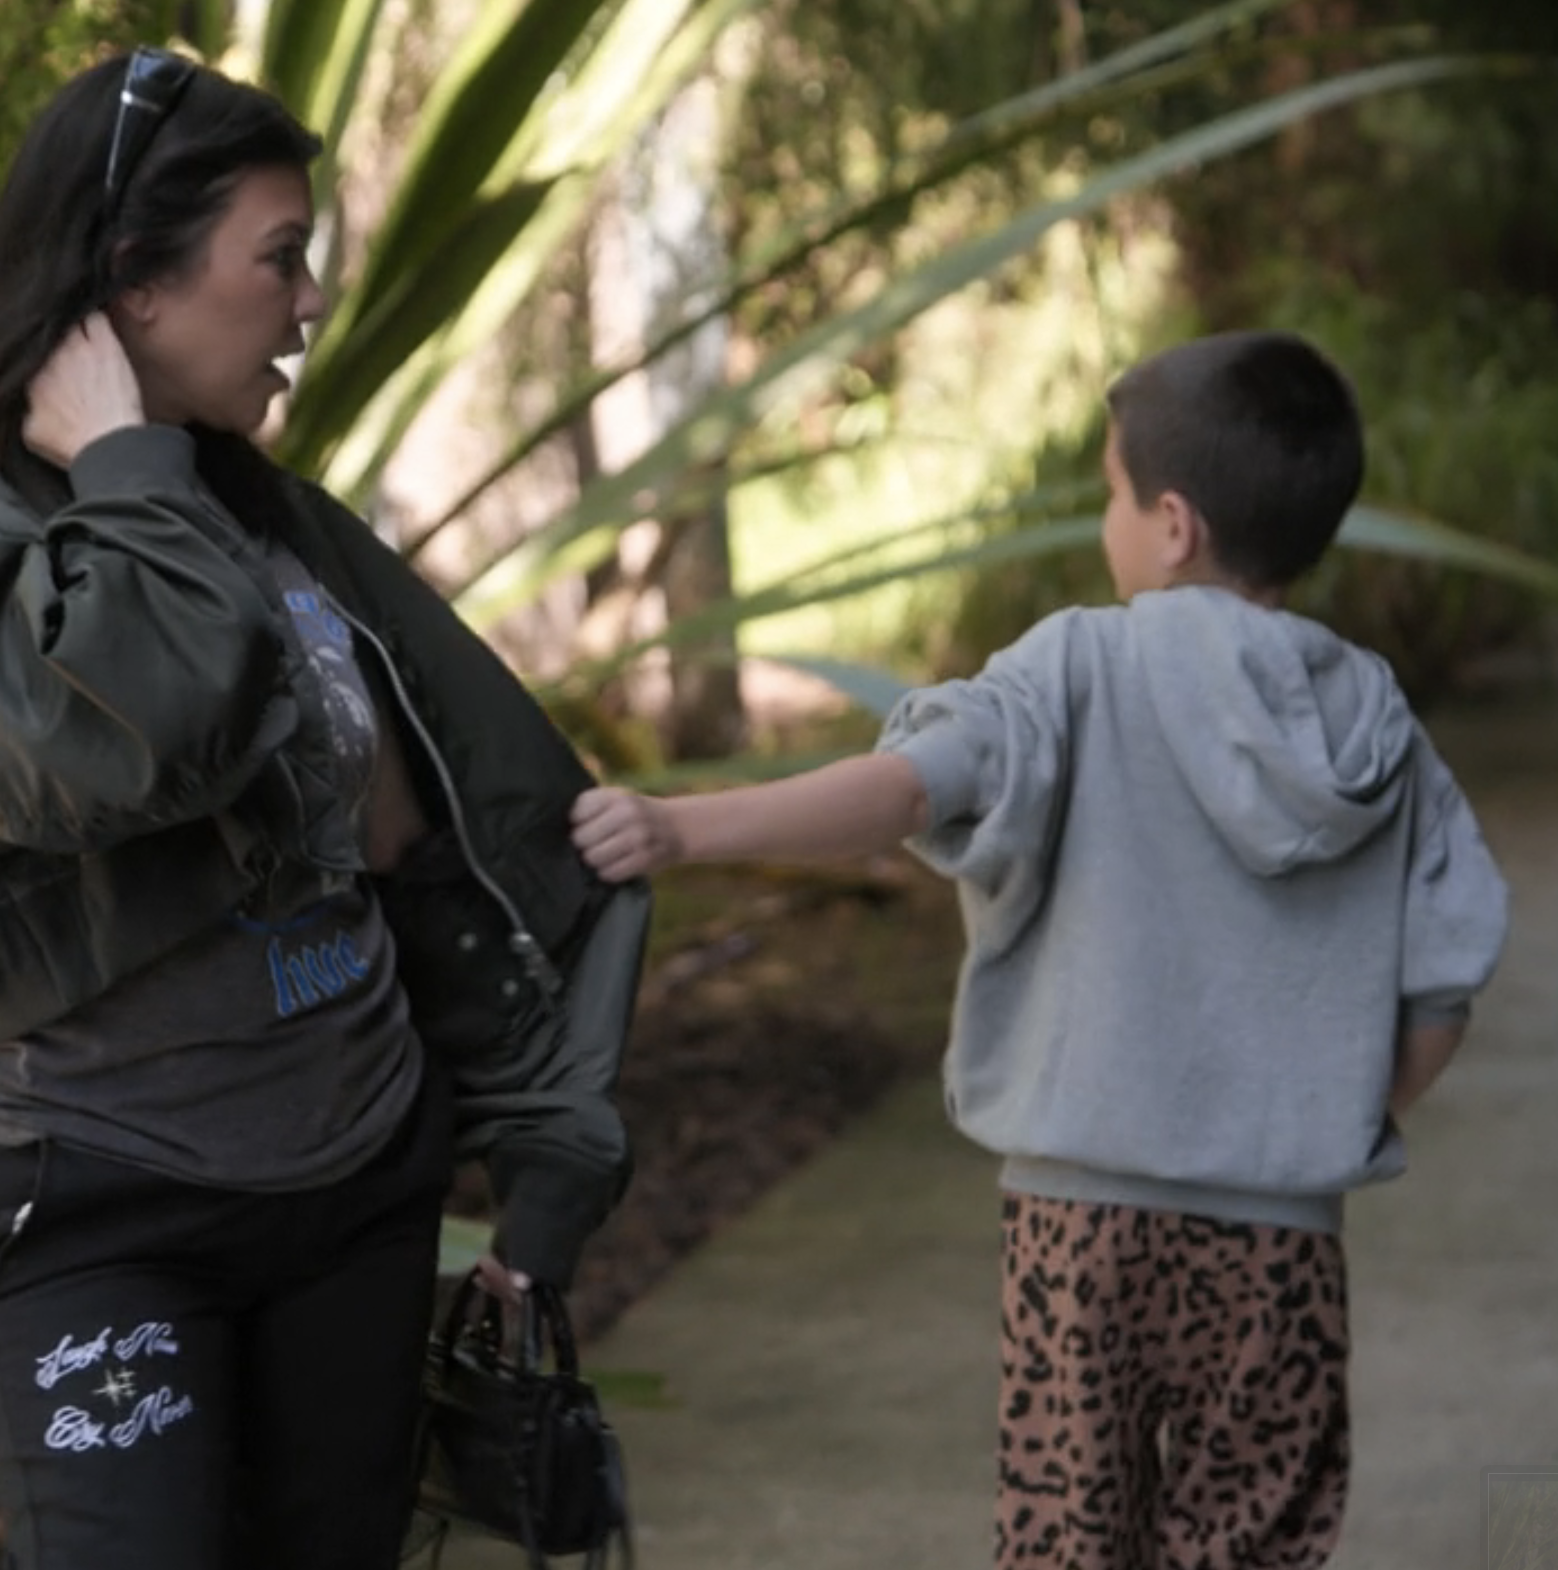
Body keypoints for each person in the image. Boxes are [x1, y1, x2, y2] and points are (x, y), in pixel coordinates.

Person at [0, 45, 650, 1570]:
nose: (310, 299)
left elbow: (421, 853)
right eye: (280, 258)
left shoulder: (267, 522)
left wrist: (542, 1173)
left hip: (353, 1191)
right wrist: (133, 461)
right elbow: (122, 747)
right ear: (132, 284)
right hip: (101, 1216)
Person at [570, 330, 1509, 1569]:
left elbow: (902, 792)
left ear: (1169, 524)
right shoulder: (1369, 717)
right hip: (1281, 1238)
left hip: (1082, 1232)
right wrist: (1325, 1108)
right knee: (1253, 1536)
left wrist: (679, 826)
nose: (1105, 523)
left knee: (1068, 1537)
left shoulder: (1076, 667)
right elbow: (1444, 976)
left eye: (1112, 492)